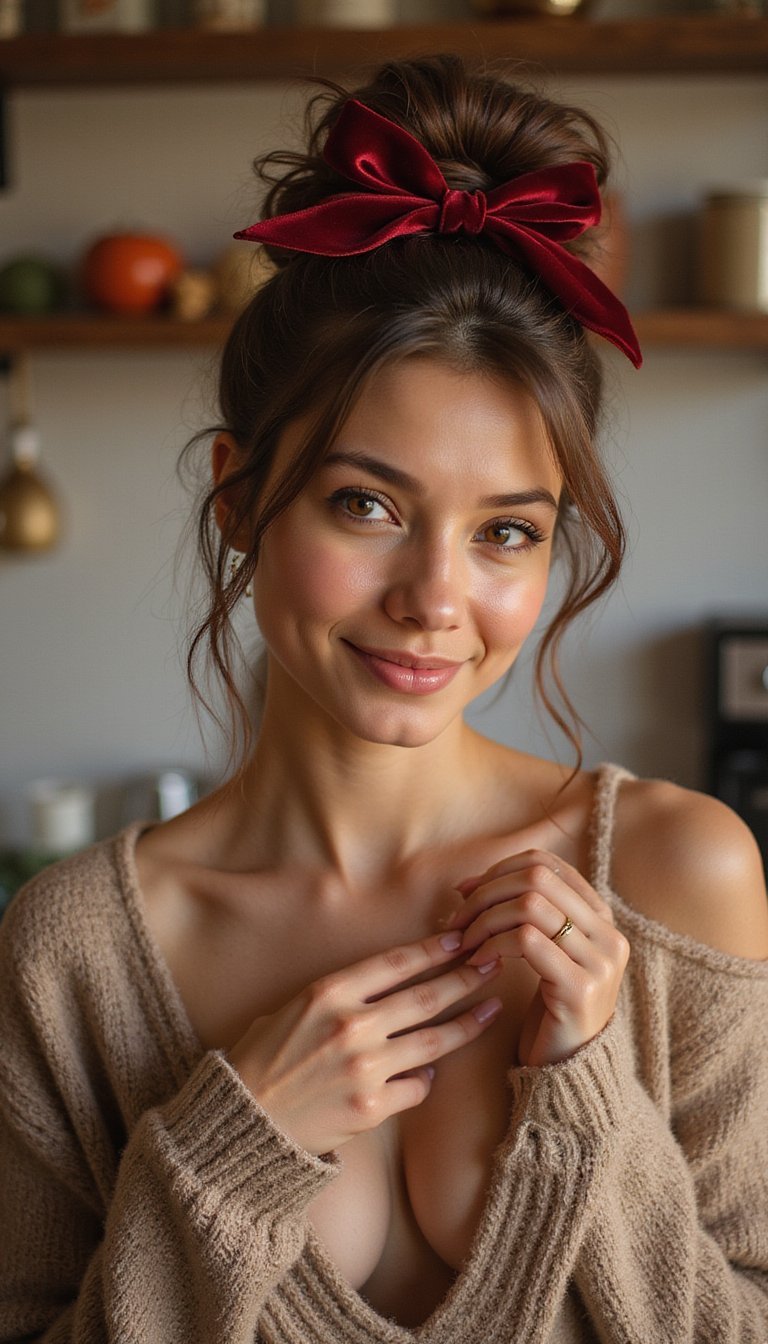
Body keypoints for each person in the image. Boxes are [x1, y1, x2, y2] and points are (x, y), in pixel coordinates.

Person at [1, 53, 767, 1344]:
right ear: (240, 495)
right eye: (367, 505)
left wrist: (593, 1100)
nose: (435, 599)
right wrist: (222, 1161)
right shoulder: (71, 956)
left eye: (507, 533)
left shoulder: (680, 878)